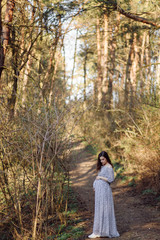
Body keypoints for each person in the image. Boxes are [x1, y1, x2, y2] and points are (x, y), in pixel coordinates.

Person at [88, 151, 120, 239]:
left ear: (106, 158)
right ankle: (98, 231)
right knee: (99, 209)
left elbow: (111, 179)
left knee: (104, 208)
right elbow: (98, 177)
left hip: (105, 191)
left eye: (103, 159)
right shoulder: (103, 166)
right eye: (100, 160)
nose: (101, 161)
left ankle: (106, 231)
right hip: (99, 191)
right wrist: (95, 185)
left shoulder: (109, 167)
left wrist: (100, 178)